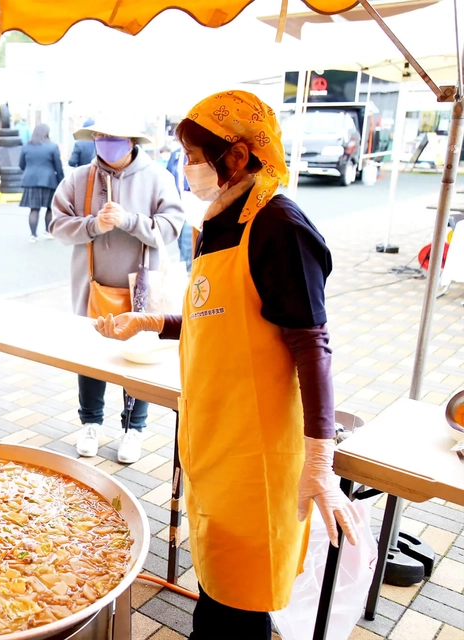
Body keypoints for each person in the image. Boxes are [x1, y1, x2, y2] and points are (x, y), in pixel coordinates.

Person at [95, 91, 361, 639]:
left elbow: (312, 342)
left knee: (240, 608)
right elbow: (216, 315)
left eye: (194, 154)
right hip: (213, 441)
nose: (186, 166)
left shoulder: (279, 226)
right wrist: (149, 323)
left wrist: (319, 462)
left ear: (237, 156)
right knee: (217, 592)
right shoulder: (219, 222)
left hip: (257, 457)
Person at [49, 119, 184, 464]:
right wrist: (93, 225)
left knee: (140, 356)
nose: (106, 142)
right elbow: (57, 226)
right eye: (100, 136)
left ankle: (133, 429)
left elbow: (171, 228)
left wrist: (130, 221)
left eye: (114, 137)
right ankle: (91, 423)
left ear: (131, 140)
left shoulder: (158, 178)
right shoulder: (79, 179)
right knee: (91, 356)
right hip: (92, 288)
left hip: (143, 291)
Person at [19, 123, 64, 242]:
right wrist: (61, 181)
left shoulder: (26, 147)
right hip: (49, 181)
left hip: (31, 181)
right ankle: (48, 231)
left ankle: (33, 235)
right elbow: (58, 167)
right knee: (49, 208)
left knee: (34, 209)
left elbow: (21, 164)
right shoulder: (52, 147)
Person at [166, 144, 198, 272]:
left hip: (193, 200)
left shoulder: (195, 152)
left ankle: (188, 270)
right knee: (179, 238)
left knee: (187, 239)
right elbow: (168, 175)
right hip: (177, 199)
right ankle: (185, 267)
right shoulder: (176, 155)